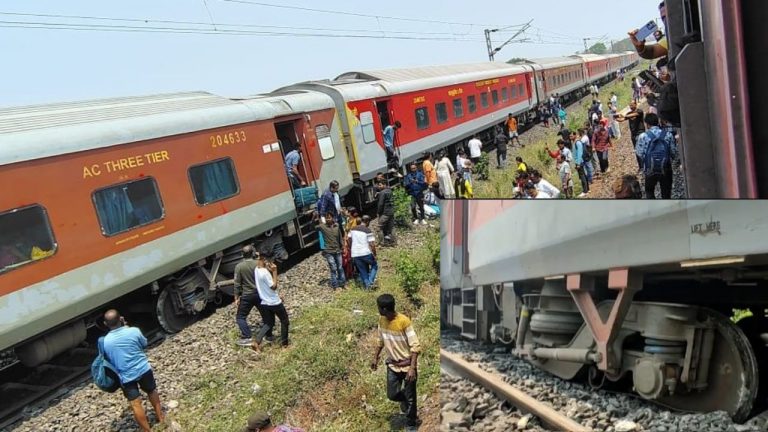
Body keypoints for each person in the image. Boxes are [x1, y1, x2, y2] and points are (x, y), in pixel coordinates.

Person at [102, 310, 164, 432]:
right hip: (143, 368)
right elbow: (144, 343)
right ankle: (161, 418)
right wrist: (127, 327)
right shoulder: (134, 331)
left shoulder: (106, 341)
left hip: (126, 376)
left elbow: (110, 359)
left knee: (136, 403)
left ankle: (146, 430)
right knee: (152, 391)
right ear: (121, 319)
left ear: (105, 324)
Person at [371, 294, 422, 429]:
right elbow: (380, 341)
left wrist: (412, 368)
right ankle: (408, 402)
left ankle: (411, 424)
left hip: (407, 366)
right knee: (392, 394)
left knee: (411, 397)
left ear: (385, 309)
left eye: (379, 308)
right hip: (393, 365)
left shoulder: (403, 322)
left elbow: (415, 346)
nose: (378, 310)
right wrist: (375, 357)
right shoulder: (382, 321)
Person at [234, 246, 272, 347]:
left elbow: (237, 283)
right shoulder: (258, 263)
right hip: (260, 294)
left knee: (240, 317)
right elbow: (267, 276)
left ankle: (247, 336)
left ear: (242, 255)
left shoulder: (239, 266)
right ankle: (269, 336)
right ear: (253, 253)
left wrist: (236, 297)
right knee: (266, 316)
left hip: (247, 295)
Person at [251, 253, 288, 350]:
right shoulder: (264, 273)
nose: (269, 263)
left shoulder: (257, 270)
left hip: (264, 301)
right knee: (285, 321)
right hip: (274, 302)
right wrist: (275, 272)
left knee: (269, 323)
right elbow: (273, 286)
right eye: (268, 261)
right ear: (264, 259)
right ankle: (285, 344)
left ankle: (257, 341)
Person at [636, 113, 677, 199]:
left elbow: (639, 153)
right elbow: (673, 152)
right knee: (666, 192)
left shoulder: (643, 136)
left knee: (649, 190)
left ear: (647, 124)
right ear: (657, 122)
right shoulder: (668, 134)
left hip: (650, 169)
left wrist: (648, 160)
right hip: (666, 167)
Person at [315, 211, 346, 289]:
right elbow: (313, 228)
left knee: (340, 267)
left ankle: (342, 283)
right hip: (328, 251)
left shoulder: (337, 226)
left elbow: (340, 238)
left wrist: (343, 247)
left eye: (329, 217)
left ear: (332, 218)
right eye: (326, 218)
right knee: (333, 268)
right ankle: (335, 285)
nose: (328, 219)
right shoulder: (322, 227)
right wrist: (314, 218)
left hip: (337, 250)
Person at [347, 218, 378, 289]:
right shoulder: (367, 230)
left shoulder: (352, 229)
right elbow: (372, 245)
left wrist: (351, 247)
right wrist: (375, 255)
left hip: (355, 253)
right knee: (375, 265)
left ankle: (368, 286)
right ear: (367, 222)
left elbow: (348, 239)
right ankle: (370, 282)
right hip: (365, 252)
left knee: (362, 270)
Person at [617, 100, 646, 171]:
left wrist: (624, 115)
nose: (631, 106)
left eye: (632, 105)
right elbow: (622, 119)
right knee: (637, 151)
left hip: (640, 133)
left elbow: (632, 115)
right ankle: (641, 167)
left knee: (643, 149)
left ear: (636, 104)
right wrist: (616, 118)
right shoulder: (629, 113)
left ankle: (646, 165)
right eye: (630, 105)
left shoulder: (639, 111)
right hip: (633, 134)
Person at [375, 180, 395, 244]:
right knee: (390, 228)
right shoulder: (390, 191)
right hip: (391, 212)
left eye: (380, 185)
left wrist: (378, 212)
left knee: (379, 228)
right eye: (378, 185)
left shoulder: (382, 193)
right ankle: (392, 241)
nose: (379, 186)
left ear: (384, 185)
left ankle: (382, 242)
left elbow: (380, 204)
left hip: (385, 213)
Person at [572, 131, 590, 198]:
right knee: (583, 175)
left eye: (571, 136)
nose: (570, 137)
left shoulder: (578, 143)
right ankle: (587, 189)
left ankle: (585, 191)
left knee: (582, 176)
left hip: (579, 162)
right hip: (578, 162)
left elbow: (580, 153)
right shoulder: (574, 143)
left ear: (575, 135)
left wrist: (578, 163)